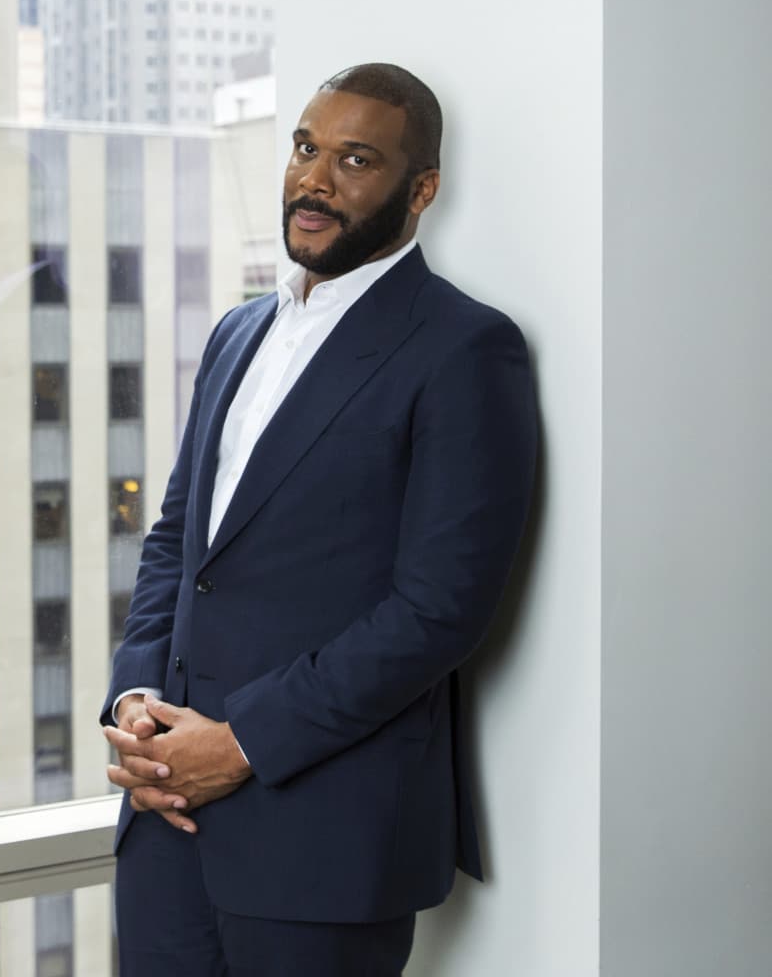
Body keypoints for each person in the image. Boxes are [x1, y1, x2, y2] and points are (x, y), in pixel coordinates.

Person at [102, 63, 539, 976]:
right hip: (164, 828)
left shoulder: (464, 348)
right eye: (306, 148)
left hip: (324, 842)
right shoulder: (235, 333)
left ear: (420, 191)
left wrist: (243, 745)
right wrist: (136, 703)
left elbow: (438, 610)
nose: (314, 179)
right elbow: (181, 546)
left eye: (355, 160)